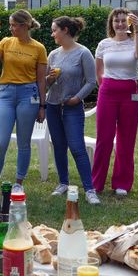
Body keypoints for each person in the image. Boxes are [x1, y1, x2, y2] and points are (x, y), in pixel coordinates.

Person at [0, 9, 47, 197]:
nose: (10, 28)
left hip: (29, 95)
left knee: (23, 143)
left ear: (24, 26)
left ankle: (19, 183)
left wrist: (42, 106)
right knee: (0, 143)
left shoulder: (39, 48)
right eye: (10, 25)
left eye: (13, 25)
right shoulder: (5, 42)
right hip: (6, 94)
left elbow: (41, 80)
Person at [45, 16, 99, 204]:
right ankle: (63, 183)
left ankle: (90, 189)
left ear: (65, 30)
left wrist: (77, 98)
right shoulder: (53, 55)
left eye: (54, 30)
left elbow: (91, 81)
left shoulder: (83, 53)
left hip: (72, 108)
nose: (52, 34)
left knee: (77, 148)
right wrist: (49, 79)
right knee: (58, 146)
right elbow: (45, 84)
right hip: (53, 106)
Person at [93, 8, 138, 196]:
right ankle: (96, 183)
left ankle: (122, 183)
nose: (120, 24)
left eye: (124, 21)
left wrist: (137, 30)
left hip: (130, 92)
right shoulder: (104, 44)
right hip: (108, 91)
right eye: (117, 21)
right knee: (104, 138)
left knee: (126, 139)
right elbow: (98, 72)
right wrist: (106, 88)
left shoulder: (136, 41)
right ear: (112, 23)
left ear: (129, 23)